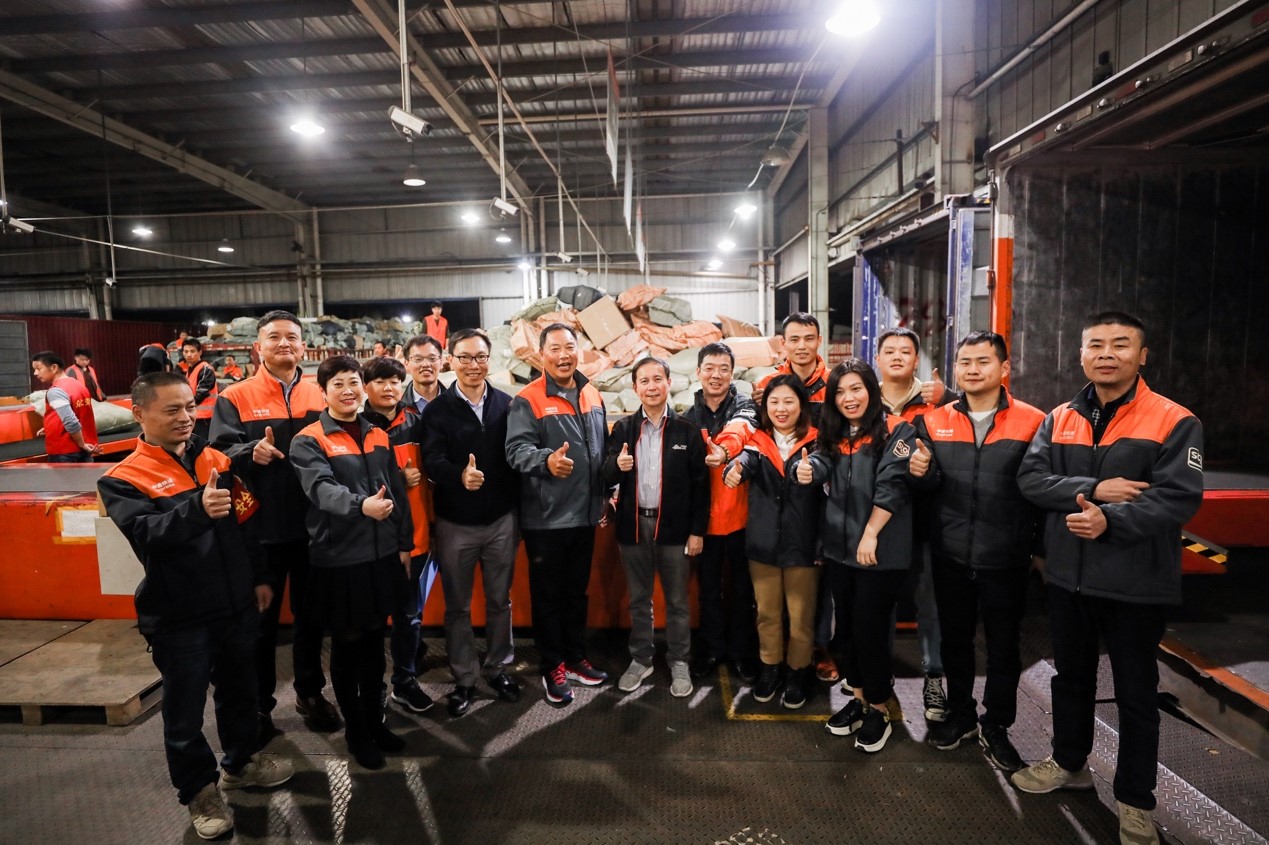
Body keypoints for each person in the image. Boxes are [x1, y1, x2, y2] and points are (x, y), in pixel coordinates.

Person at [1013, 312, 1204, 845]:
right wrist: (1095, 489)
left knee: (1136, 694)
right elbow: (1031, 479)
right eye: (1096, 345)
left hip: (1133, 584)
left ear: (1142, 356)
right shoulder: (1060, 418)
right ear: (1081, 355)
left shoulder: (1173, 420)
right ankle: (1069, 763)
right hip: (1069, 579)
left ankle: (1136, 801)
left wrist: (1110, 522)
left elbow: (1178, 497)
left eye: (1120, 345)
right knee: (1070, 680)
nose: (1106, 354)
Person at [97, 372, 293, 840]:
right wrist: (198, 510)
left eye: (189, 407)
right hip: (178, 615)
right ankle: (199, 791)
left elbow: (246, 520)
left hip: (235, 605)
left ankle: (240, 764)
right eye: (172, 410)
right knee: (183, 713)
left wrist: (260, 577)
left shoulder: (215, 459)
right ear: (139, 414)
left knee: (240, 692)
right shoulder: (123, 479)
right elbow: (146, 533)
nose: (186, 417)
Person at [905, 331, 1045, 772]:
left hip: (1006, 557)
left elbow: (1042, 492)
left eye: (982, 361)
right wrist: (920, 472)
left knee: (1004, 647)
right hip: (950, 554)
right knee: (955, 642)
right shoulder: (934, 421)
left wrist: (1038, 549)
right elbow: (926, 487)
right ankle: (962, 714)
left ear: (1004, 368)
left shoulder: (1034, 421)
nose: (972, 369)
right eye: (964, 362)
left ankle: (997, 725)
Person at [210, 310, 337, 742]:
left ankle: (310, 693)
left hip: (313, 529)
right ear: (258, 347)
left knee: (311, 618)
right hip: (261, 532)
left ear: (304, 346)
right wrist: (249, 451)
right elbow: (217, 453)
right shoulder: (235, 397)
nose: (285, 344)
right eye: (274, 337)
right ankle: (259, 706)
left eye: (292, 337)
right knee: (260, 627)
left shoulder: (320, 393)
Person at [290, 355, 414, 770]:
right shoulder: (309, 440)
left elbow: (396, 491)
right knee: (347, 646)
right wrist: (361, 505)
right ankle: (356, 731)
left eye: (354, 382)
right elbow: (321, 489)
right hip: (340, 559)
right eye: (338, 384)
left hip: (381, 556)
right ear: (323, 392)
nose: (348, 391)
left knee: (375, 644)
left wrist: (404, 542)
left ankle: (375, 722)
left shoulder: (377, 434)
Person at [802, 358, 917, 753]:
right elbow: (822, 462)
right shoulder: (834, 434)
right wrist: (810, 470)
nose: (848, 398)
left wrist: (870, 534)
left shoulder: (897, 430)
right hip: (841, 551)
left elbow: (892, 486)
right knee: (847, 632)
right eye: (840, 392)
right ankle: (860, 698)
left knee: (870, 632)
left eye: (856, 389)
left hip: (879, 553)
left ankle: (879, 710)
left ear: (871, 389)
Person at [506, 323, 610, 705]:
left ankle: (576, 656)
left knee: (575, 594)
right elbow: (516, 451)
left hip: (585, 515)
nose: (564, 355)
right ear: (541, 355)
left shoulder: (592, 394)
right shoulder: (528, 400)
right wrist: (547, 461)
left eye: (570, 347)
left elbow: (601, 452)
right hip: (547, 519)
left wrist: (606, 494)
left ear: (579, 351)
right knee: (548, 597)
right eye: (555, 348)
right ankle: (552, 666)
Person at [422, 329, 522, 717]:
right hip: (456, 523)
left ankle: (498, 669)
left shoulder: (508, 405)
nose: (473, 365)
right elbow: (432, 461)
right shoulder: (438, 411)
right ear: (451, 361)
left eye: (480, 357)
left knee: (499, 601)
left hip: (501, 521)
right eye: (464, 358)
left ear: (489, 360)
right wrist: (459, 477)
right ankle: (464, 678)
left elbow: (517, 457)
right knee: (458, 607)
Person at [603, 357, 709, 698]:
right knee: (639, 599)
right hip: (633, 527)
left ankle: (679, 661)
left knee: (677, 601)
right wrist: (617, 465)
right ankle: (641, 659)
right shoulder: (623, 429)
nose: (652, 386)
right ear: (635, 387)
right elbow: (604, 473)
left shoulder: (687, 431)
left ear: (668, 383)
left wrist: (697, 531)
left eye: (657, 379)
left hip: (674, 529)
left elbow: (701, 486)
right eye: (644, 381)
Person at [723, 374, 821, 710]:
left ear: (801, 406)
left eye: (789, 401)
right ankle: (770, 668)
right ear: (765, 407)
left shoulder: (817, 442)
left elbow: (822, 470)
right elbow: (743, 461)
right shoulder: (756, 441)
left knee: (801, 616)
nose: (781, 408)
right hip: (763, 545)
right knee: (767, 614)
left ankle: (798, 672)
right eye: (774, 402)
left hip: (802, 545)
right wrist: (733, 470)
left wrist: (812, 472)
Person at [875, 326, 951, 721]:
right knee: (881, 602)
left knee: (929, 602)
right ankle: (878, 676)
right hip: (880, 522)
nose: (897, 357)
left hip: (923, 520)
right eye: (889, 351)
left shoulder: (936, 403)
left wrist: (949, 397)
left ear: (916, 360)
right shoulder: (863, 401)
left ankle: (933, 676)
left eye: (905, 351)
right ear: (877, 359)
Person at [361, 356, 436, 716]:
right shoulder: (355, 427)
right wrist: (396, 481)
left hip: (415, 538)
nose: (388, 388)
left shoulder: (418, 423)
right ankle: (371, 689)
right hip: (370, 542)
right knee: (372, 621)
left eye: (394, 381)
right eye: (380, 381)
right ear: (366, 387)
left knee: (409, 616)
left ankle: (405, 681)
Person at [681, 342, 760, 684]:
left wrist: (725, 452)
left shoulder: (746, 407)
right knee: (709, 591)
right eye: (710, 368)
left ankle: (743, 653)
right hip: (705, 522)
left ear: (732, 373)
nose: (716, 375)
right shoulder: (687, 418)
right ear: (698, 372)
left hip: (744, 519)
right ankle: (711, 650)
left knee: (744, 591)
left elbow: (742, 431)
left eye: (724, 369)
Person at [30, 351, 101, 463]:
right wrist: (52, 426)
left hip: (65, 452)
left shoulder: (56, 391)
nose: (35, 373)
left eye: (38, 368)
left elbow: (71, 421)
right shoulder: (78, 385)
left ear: (54, 367)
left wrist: (81, 444)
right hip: (86, 447)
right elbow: (78, 413)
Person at [182, 338, 220, 440]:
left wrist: (185, 407)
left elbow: (201, 393)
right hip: (195, 415)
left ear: (200, 352)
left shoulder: (205, 369)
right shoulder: (190, 369)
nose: (189, 354)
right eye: (186, 351)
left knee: (202, 444)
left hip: (205, 417)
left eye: (192, 351)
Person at [402, 335, 444, 413]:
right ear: (406, 364)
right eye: (418, 359)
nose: (426, 364)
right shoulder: (397, 407)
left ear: (441, 362)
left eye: (432, 358)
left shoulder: (457, 404)